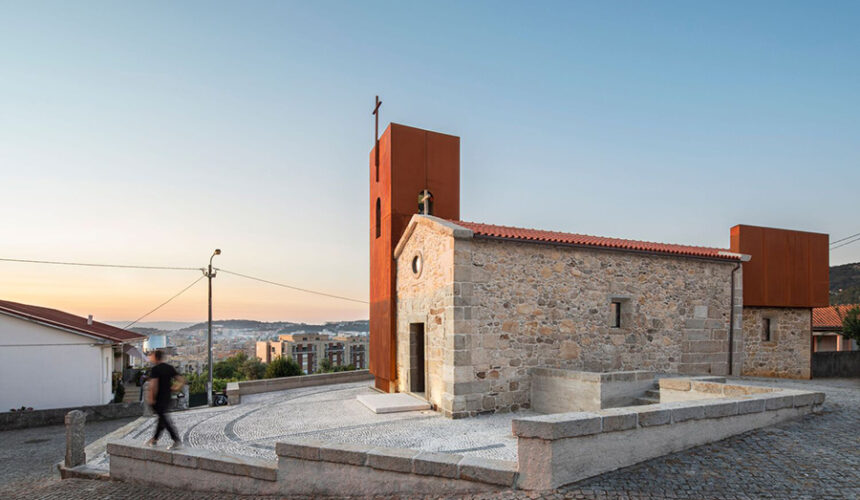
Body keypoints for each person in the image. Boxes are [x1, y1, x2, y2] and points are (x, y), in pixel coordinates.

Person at [145, 350, 184, 449]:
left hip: (158, 398)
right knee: (161, 418)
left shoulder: (155, 369)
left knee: (164, 419)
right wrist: (175, 388)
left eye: (151, 356)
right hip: (167, 397)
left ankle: (176, 440)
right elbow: (182, 380)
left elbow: (154, 385)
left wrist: (151, 398)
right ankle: (155, 439)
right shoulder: (169, 368)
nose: (150, 358)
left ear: (156, 358)